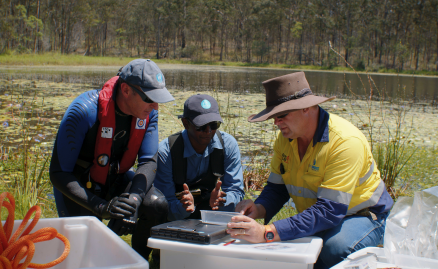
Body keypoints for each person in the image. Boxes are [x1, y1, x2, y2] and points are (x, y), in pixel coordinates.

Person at [226, 72, 393, 269]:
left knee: (335, 249)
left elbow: (329, 210)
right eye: (273, 117)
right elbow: (277, 189)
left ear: (305, 108)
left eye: (281, 116)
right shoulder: (285, 139)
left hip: (364, 216)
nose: (276, 123)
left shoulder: (345, 142)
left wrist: (267, 232)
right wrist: (258, 208)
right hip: (324, 214)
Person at [49, 59, 174, 260]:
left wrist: (133, 200)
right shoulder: (83, 111)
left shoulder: (148, 113)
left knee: (156, 204)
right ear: (125, 90)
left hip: (115, 180)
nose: (155, 107)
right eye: (150, 98)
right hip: (80, 187)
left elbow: (149, 162)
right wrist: (101, 207)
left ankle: (136, 261)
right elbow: (57, 173)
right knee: (84, 257)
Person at [154, 94, 245, 221]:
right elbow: (164, 203)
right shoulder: (167, 151)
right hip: (177, 215)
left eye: (214, 125)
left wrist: (223, 200)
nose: (208, 131)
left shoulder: (228, 145)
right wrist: (183, 207)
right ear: (185, 123)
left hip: (213, 211)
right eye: (201, 126)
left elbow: (236, 191)